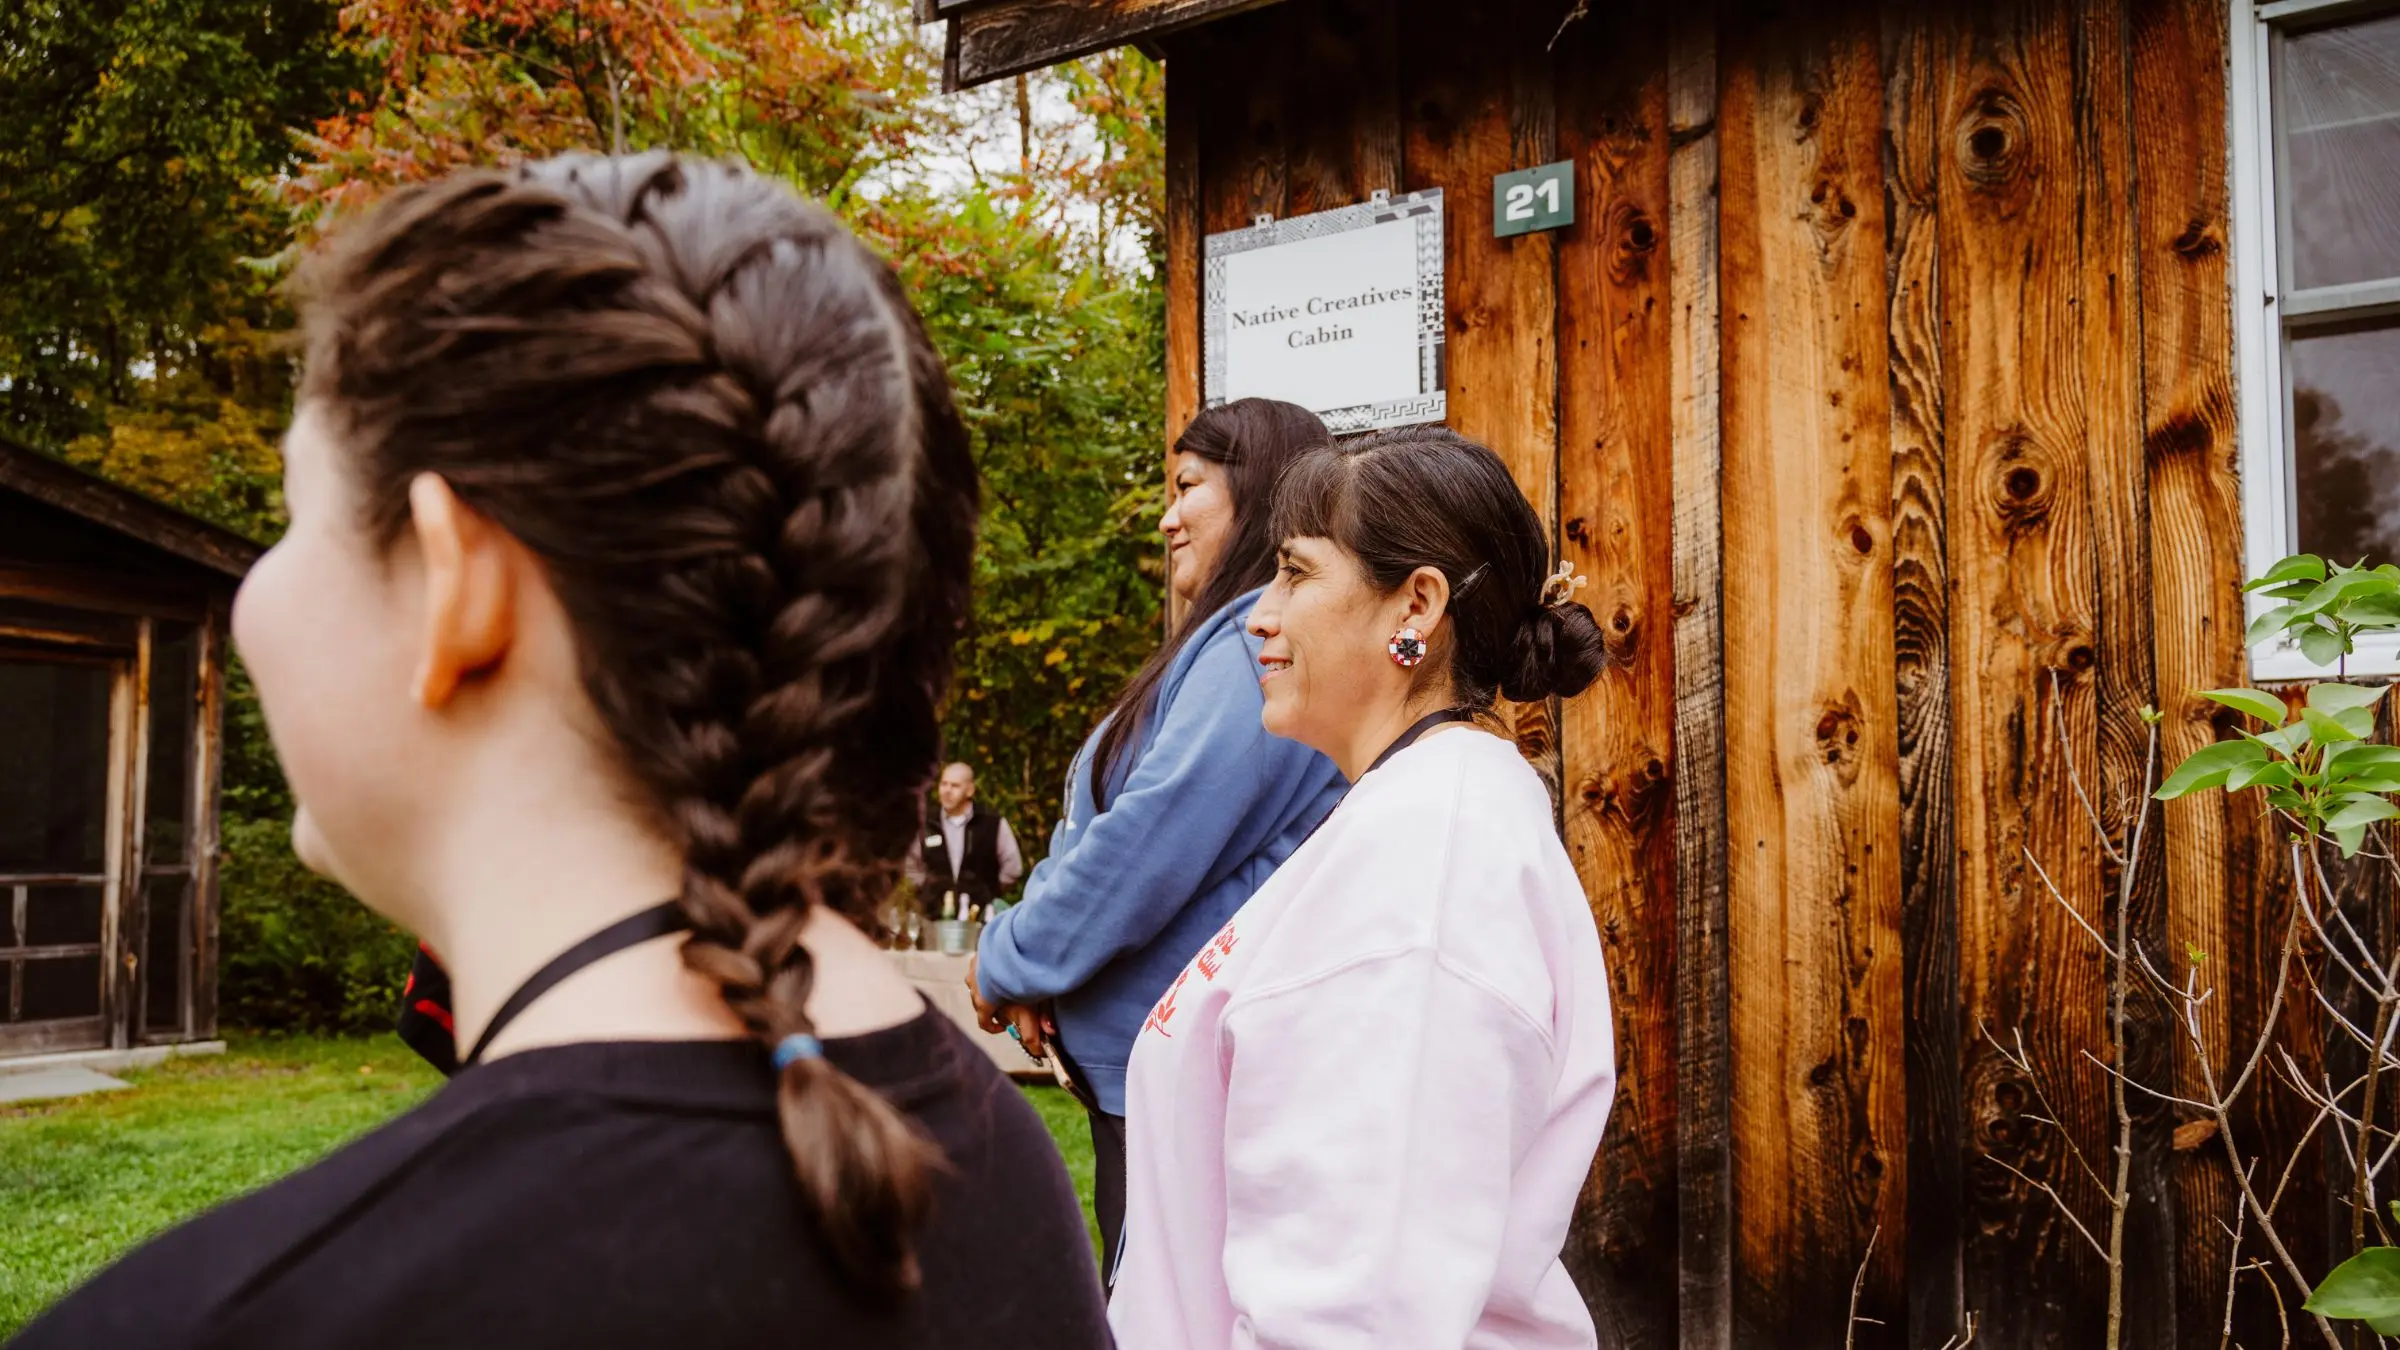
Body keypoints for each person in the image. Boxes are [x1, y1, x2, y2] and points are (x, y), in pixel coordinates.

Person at [8, 153, 1108, 1350]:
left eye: (292, 515)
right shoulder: (994, 1170)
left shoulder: (223, 1323)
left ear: (453, 584)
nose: (253, 596)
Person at [1108, 425, 1619, 1349]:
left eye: (1296, 575)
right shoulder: (1411, 818)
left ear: (1414, 606)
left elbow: (1355, 1314)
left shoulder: (1424, 871)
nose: (1258, 616)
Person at [967, 398, 1347, 1284]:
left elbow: (1148, 845)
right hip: (1146, 1076)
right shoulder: (1222, 643)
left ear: (1256, 492)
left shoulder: (1259, 642)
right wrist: (1051, 974)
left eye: (1187, 488)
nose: (1168, 517)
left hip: (1184, 1085)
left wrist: (1010, 958)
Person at [905, 762, 1024, 918]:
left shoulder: (992, 823)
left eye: (955, 786)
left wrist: (987, 891)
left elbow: (1013, 868)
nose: (947, 791)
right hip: (933, 917)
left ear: (970, 790)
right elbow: (910, 865)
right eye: (944, 784)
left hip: (979, 917)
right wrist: (928, 890)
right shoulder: (925, 823)